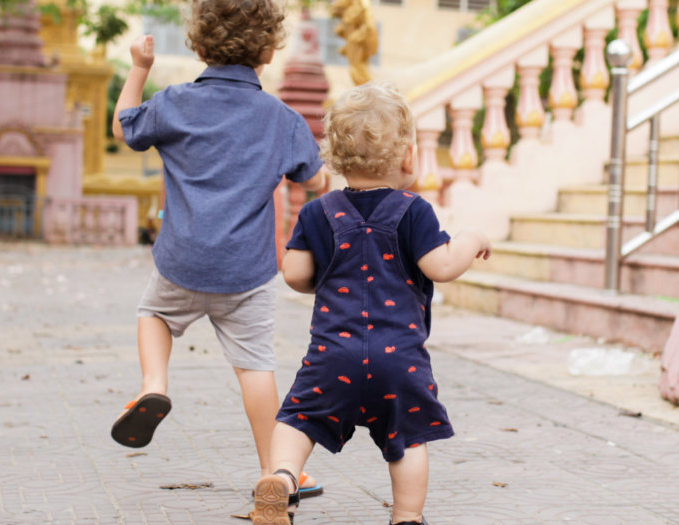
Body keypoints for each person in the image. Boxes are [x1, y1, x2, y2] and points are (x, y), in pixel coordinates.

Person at [108, 0, 328, 501]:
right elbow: (313, 177)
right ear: (269, 52)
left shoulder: (175, 102)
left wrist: (140, 67)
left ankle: (153, 385)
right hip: (246, 274)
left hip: (181, 262)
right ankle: (277, 470)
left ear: (200, 45)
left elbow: (124, 127)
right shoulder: (281, 118)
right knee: (255, 367)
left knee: (154, 314)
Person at [251, 82, 492, 525]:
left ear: (336, 157)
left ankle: (282, 479)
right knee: (408, 438)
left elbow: (295, 274)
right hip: (398, 358)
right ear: (407, 157)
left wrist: (328, 278)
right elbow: (440, 266)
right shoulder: (414, 210)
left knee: (299, 418)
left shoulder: (318, 212)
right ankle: (406, 516)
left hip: (332, 356)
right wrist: (470, 239)